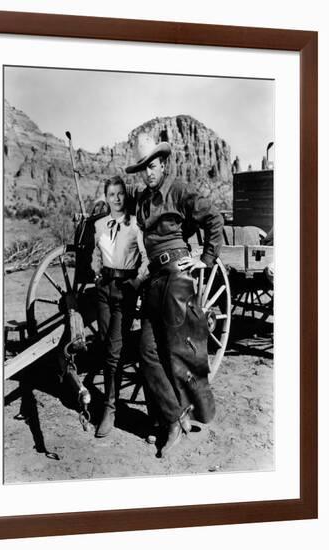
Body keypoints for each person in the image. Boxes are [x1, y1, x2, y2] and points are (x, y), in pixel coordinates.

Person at [125, 134, 224, 456]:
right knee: (147, 352)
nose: (148, 173)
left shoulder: (178, 189)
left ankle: (176, 423)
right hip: (155, 280)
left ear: (163, 164)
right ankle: (173, 417)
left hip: (177, 277)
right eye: (143, 169)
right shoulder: (142, 199)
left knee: (179, 353)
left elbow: (213, 218)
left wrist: (205, 259)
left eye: (152, 166)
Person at [91, 175, 148, 438]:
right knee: (104, 344)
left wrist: (136, 283)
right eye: (111, 194)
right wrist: (95, 272)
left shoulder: (135, 225)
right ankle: (110, 399)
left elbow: (146, 260)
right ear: (106, 197)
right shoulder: (100, 224)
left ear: (126, 196)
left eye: (120, 194)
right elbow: (96, 253)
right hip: (103, 289)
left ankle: (109, 409)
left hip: (124, 290)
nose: (115, 198)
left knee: (113, 350)